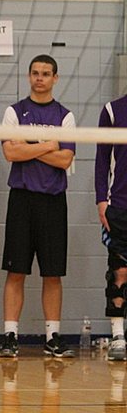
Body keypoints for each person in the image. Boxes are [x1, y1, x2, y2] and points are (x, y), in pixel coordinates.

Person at [0, 54, 76, 359]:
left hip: (54, 201)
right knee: (16, 272)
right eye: (35, 73)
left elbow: (65, 159)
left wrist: (28, 146)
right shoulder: (14, 112)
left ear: (55, 78)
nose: (40, 78)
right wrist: (47, 144)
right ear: (29, 76)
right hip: (22, 199)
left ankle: (52, 337)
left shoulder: (65, 115)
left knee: (52, 273)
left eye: (45, 73)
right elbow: (10, 153)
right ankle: (10, 336)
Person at [95, 79, 127, 361]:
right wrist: (100, 200)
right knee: (119, 272)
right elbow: (102, 160)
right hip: (120, 206)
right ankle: (118, 335)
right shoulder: (112, 111)